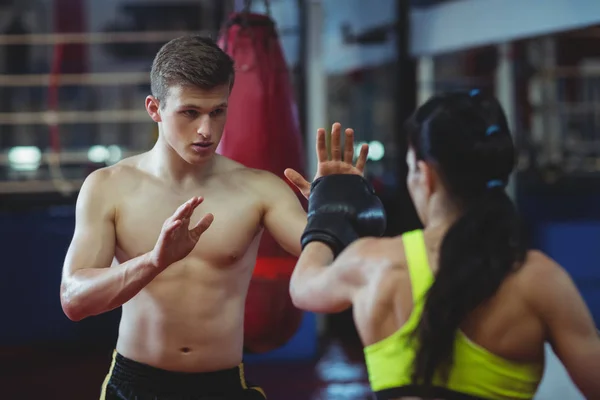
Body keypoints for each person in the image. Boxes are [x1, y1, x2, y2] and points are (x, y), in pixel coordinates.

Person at [59, 35, 381, 400]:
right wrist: (154, 261)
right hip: (135, 385)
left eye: (218, 111)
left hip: (221, 385)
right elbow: (74, 300)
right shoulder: (107, 187)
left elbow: (342, 268)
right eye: (190, 112)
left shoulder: (259, 189)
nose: (206, 131)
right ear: (155, 108)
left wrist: (336, 209)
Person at [289, 91, 600, 400]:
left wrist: (326, 211)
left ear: (426, 175)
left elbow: (303, 287)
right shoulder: (538, 280)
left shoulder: (373, 264)